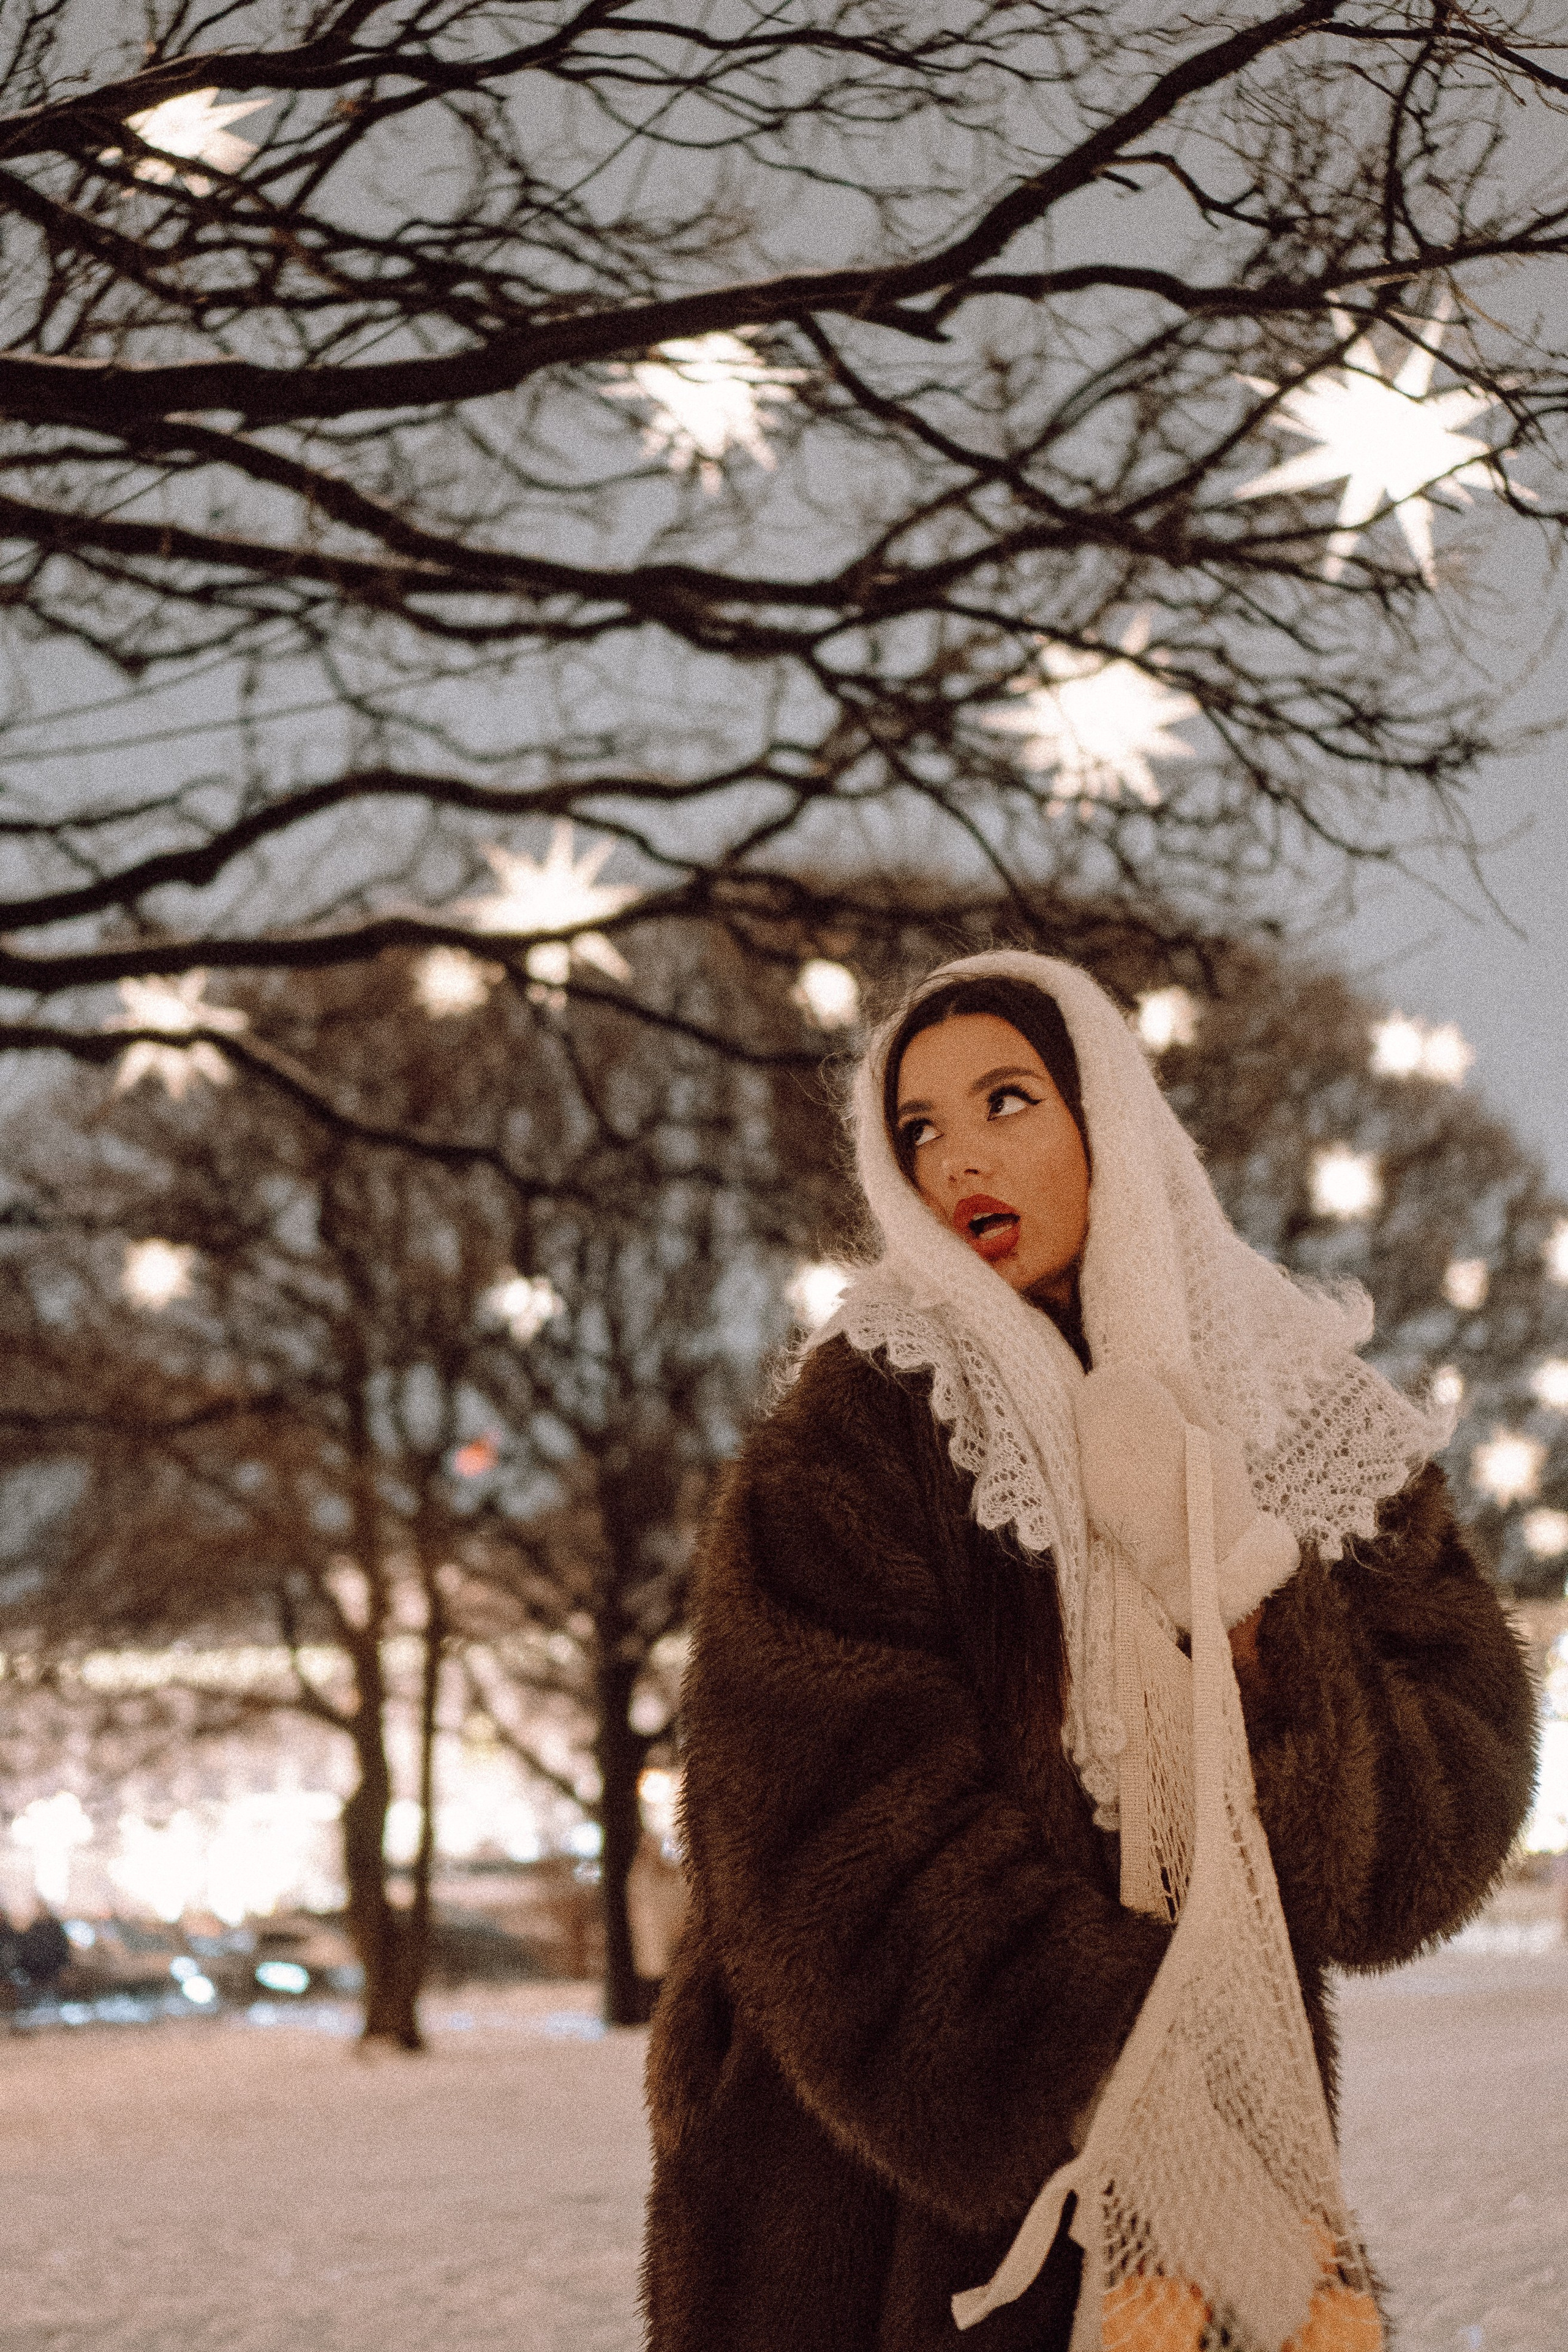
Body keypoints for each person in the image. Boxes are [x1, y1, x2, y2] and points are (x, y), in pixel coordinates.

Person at [641, 952, 1536, 2352]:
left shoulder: (1300, 1414)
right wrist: (1112, 2054)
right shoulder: (863, 1423)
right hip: (877, 2192)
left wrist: (1244, 1596)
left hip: (1223, 2177)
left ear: (1105, 1116)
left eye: (1005, 1100)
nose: (957, 1162)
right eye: (917, 1130)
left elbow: (1427, 1832)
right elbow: (818, 1826)